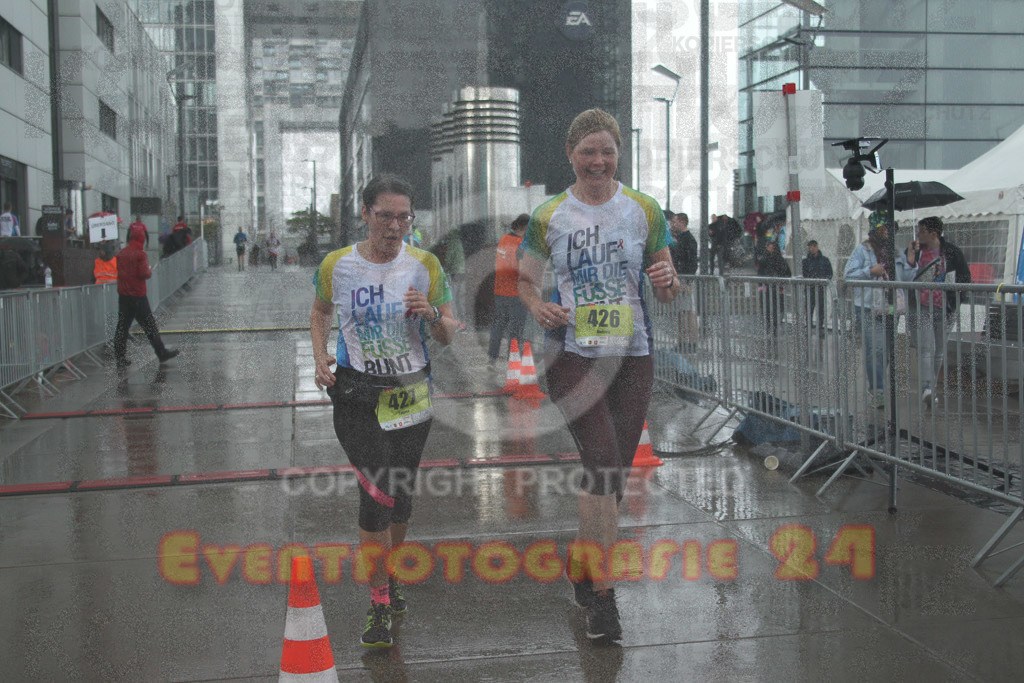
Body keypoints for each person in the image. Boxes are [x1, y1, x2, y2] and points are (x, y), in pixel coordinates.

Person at [518, 108, 679, 642]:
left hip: (633, 356)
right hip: (573, 355)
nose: (598, 160)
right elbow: (525, 282)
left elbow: (666, 284)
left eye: (607, 150)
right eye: (588, 151)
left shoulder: (643, 209)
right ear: (571, 155)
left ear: (618, 155)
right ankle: (604, 599)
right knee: (603, 463)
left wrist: (668, 278)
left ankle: (585, 561)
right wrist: (538, 307)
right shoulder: (548, 216)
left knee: (613, 475)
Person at [310, 173, 456, 649]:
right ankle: (377, 603)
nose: (394, 226)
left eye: (403, 217)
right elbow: (319, 311)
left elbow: (450, 332)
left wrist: (432, 314)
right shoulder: (338, 265)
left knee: (401, 494)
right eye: (385, 215)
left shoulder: (425, 265)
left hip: (411, 394)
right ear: (366, 214)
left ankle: (389, 576)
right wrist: (319, 357)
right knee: (375, 493)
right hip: (357, 395)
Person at [843, 216, 913, 408]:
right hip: (867, 308)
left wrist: (912, 261)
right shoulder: (862, 250)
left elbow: (907, 277)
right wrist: (870, 271)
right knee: (876, 349)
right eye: (885, 229)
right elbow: (848, 275)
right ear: (876, 230)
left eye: (892, 229)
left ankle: (876, 384)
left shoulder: (897, 253)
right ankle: (878, 391)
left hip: (891, 306)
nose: (890, 233)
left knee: (887, 350)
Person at [902, 216, 972, 405]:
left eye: (921, 231)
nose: (918, 234)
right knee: (926, 349)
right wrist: (909, 255)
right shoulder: (915, 252)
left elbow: (965, 277)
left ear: (933, 234)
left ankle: (930, 389)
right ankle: (927, 388)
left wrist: (957, 301)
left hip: (945, 308)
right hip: (922, 307)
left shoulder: (951, 252)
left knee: (939, 351)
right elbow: (901, 275)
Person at [112, 223, 180, 367]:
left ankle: (120, 357)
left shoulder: (121, 253)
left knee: (122, 327)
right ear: (142, 239)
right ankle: (161, 353)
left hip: (124, 295)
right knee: (150, 327)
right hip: (138, 295)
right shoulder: (140, 254)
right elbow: (144, 274)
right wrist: (149, 270)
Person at [487, 214, 530, 367]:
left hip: (499, 290)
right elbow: (521, 269)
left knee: (498, 326)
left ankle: (491, 359)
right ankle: (513, 361)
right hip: (515, 293)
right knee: (516, 330)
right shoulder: (520, 244)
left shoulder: (504, 239)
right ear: (524, 227)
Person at [667, 210, 699, 349]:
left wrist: (688, 281)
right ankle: (683, 341)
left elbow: (692, 262)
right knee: (681, 311)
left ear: (682, 222)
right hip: (680, 278)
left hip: (685, 279)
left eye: (674, 222)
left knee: (687, 311)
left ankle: (690, 342)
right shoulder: (680, 238)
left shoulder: (689, 240)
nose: (673, 224)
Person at [756, 239, 791, 337]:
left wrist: (781, 281)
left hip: (777, 288)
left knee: (776, 309)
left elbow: (787, 273)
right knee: (767, 309)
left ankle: (774, 328)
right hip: (766, 288)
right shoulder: (763, 259)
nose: (771, 248)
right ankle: (768, 328)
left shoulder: (780, 260)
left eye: (772, 246)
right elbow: (760, 274)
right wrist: (761, 286)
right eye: (769, 246)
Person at [801, 240, 833, 337]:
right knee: (809, 308)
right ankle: (809, 327)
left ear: (817, 247)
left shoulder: (824, 260)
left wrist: (824, 281)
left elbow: (830, 273)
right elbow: (804, 273)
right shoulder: (806, 261)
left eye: (814, 246)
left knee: (820, 309)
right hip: (810, 288)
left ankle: (820, 328)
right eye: (810, 247)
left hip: (820, 288)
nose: (812, 248)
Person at [436, 227, 466, 328]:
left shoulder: (452, 242)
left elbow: (449, 258)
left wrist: (444, 269)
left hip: (454, 272)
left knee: (452, 298)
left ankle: (456, 322)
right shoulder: (459, 241)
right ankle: (463, 322)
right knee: (460, 299)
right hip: (461, 272)